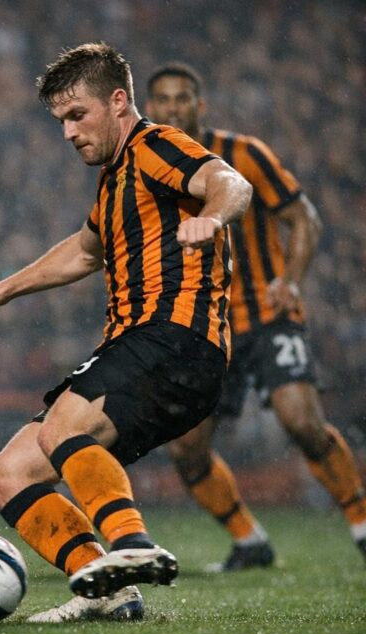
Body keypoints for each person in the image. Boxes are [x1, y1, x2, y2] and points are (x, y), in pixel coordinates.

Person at [0, 43, 252, 623]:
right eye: (61, 121)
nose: (69, 133)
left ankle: (132, 544)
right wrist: (1, 290)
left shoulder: (154, 145)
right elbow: (86, 251)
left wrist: (211, 217)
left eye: (77, 115)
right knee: (9, 475)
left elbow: (230, 181)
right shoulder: (116, 180)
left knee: (63, 426)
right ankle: (108, 593)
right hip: (142, 348)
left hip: (175, 338)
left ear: (118, 101)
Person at [146, 62, 366, 570]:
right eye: (164, 100)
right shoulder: (147, 169)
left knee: (302, 421)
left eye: (183, 98)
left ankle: (360, 521)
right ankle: (249, 541)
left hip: (268, 315)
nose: (173, 108)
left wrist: (291, 280)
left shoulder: (245, 154)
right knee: (186, 449)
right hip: (204, 325)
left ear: (200, 106)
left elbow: (303, 218)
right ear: (150, 108)